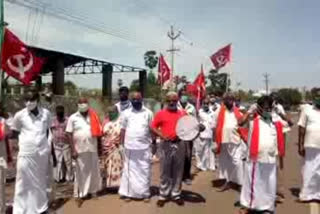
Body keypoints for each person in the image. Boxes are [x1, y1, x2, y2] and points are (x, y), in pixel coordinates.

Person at [238, 96, 285, 214]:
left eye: (270, 108)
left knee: (269, 184)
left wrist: (280, 112)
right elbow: (241, 123)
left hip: (270, 158)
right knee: (253, 182)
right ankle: (248, 205)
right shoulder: (253, 119)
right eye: (265, 108)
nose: (267, 110)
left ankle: (267, 207)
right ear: (259, 108)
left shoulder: (275, 121)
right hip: (255, 158)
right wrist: (249, 111)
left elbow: (290, 123)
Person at [12, 91, 52, 214]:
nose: (28, 103)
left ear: (37, 100)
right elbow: (15, 133)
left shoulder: (46, 113)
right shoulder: (20, 115)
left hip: (41, 154)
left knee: (40, 181)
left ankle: (40, 208)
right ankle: (20, 210)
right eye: (26, 100)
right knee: (22, 181)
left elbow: (46, 131)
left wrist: (44, 146)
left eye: (31, 100)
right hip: (26, 153)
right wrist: (16, 151)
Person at [151, 91, 187, 207]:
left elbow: (190, 127)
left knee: (178, 169)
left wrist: (199, 128)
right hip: (165, 144)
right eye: (169, 100)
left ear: (177, 101)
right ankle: (163, 194)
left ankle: (176, 194)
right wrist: (161, 135)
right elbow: (153, 127)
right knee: (165, 170)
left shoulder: (183, 114)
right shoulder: (160, 114)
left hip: (180, 143)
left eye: (174, 100)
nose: (172, 102)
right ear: (166, 101)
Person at [66, 98, 102, 207]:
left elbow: (99, 133)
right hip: (79, 149)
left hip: (92, 147)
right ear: (77, 105)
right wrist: (73, 150)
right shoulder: (73, 117)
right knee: (81, 171)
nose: (83, 105)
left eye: (84, 103)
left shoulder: (94, 116)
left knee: (93, 170)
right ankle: (81, 193)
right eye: (80, 103)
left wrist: (100, 148)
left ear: (88, 104)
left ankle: (93, 191)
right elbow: (68, 134)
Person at [118, 92, 153, 201]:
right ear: (130, 100)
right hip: (130, 147)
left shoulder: (148, 113)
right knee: (129, 171)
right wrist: (120, 144)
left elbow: (152, 129)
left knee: (145, 170)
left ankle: (145, 194)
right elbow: (123, 129)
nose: (135, 101)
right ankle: (129, 194)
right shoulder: (126, 113)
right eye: (133, 99)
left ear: (142, 99)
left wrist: (155, 143)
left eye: (138, 99)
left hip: (145, 147)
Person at [213, 93, 245, 190]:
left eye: (232, 99)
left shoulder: (238, 111)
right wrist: (214, 142)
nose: (230, 101)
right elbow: (214, 126)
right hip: (222, 140)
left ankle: (240, 183)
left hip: (235, 140)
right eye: (227, 99)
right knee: (224, 163)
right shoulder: (219, 111)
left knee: (237, 162)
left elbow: (243, 125)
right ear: (224, 101)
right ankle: (228, 181)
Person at [298, 94, 320, 202]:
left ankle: (318, 194)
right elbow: (301, 127)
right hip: (310, 144)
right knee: (309, 169)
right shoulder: (307, 110)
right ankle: (306, 195)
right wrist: (300, 144)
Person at [271, 95, 293, 202]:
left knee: (278, 167)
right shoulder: (262, 112)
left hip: (278, 144)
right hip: (266, 146)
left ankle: (278, 192)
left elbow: (289, 124)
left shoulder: (279, 109)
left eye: (273, 101)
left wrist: (280, 113)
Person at [100, 106, 123, 188]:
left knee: (117, 166)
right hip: (107, 148)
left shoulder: (121, 122)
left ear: (117, 112)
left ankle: (117, 185)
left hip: (117, 147)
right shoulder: (105, 122)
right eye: (109, 112)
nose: (110, 114)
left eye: (112, 112)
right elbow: (102, 134)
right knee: (108, 166)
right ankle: (108, 185)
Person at [177, 90, 196, 185]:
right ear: (179, 96)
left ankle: (187, 176)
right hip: (177, 134)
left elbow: (195, 120)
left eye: (185, 95)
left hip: (189, 134)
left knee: (188, 156)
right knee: (178, 156)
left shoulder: (192, 107)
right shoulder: (175, 106)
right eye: (182, 95)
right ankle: (178, 176)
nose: (184, 97)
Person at [51, 105, 73, 183]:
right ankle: (58, 178)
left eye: (61, 114)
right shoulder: (53, 120)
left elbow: (70, 131)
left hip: (66, 143)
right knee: (58, 161)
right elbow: (51, 131)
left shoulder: (67, 120)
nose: (59, 116)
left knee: (67, 161)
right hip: (56, 143)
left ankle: (69, 177)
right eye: (58, 114)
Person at [196, 98, 216, 171]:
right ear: (202, 104)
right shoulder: (199, 112)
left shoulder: (212, 113)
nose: (205, 105)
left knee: (209, 151)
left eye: (207, 104)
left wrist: (214, 134)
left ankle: (209, 165)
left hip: (210, 133)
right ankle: (200, 165)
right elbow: (196, 122)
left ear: (209, 104)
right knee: (200, 150)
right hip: (201, 134)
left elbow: (214, 124)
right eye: (204, 103)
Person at [0, 106, 12, 214]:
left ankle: (2, 210)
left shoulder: (3, 122)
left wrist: (9, 156)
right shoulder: (3, 122)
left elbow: (4, 136)